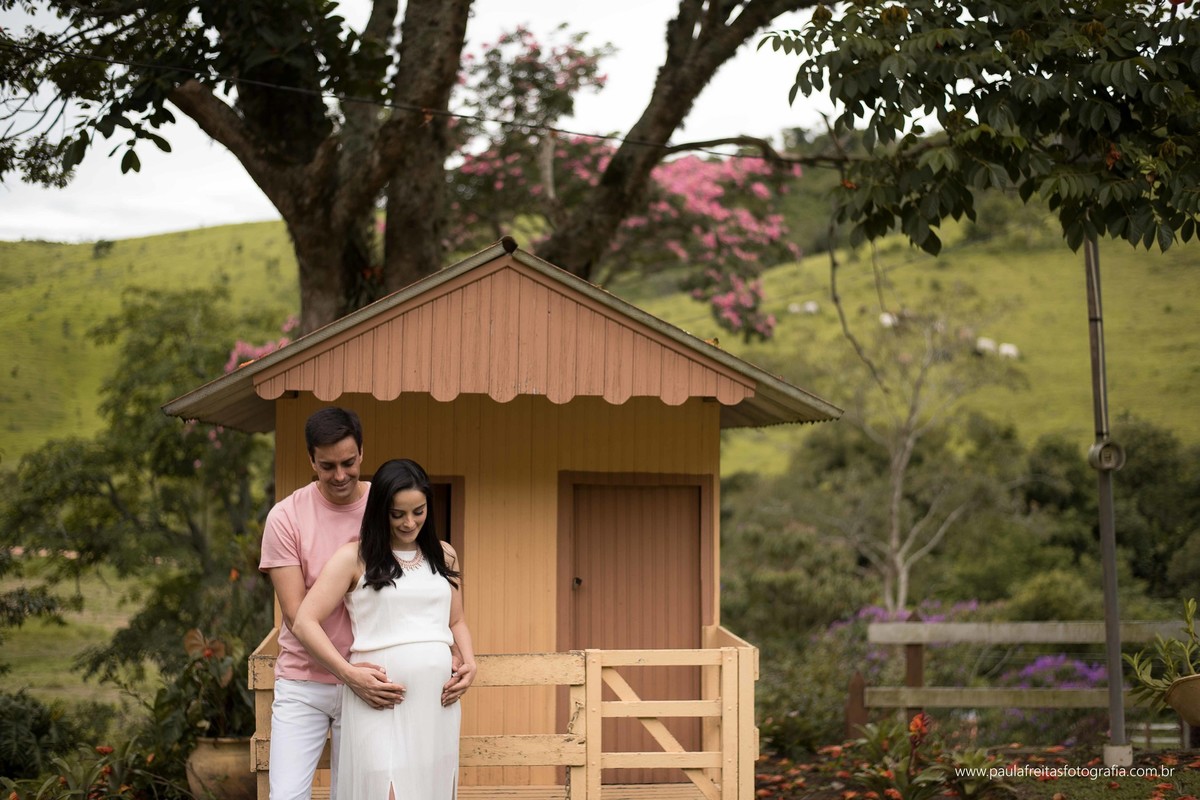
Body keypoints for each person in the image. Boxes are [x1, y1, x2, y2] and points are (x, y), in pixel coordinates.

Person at [292, 458, 477, 800]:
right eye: (397, 514)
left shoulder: (445, 555)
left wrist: (470, 663)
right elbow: (305, 621)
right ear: (380, 511)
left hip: (436, 706)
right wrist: (348, 673)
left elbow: (456, 621)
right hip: (380, 703)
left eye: (418, 511)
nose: (409, 523)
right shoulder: (355, 557)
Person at [259, 407, 406, 800]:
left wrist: (454, 648)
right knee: (286, 796)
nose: (340, 475)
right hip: (303, 682)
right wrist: (347, 674)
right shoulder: (285, 517)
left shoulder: (388, 506)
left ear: (362, 452)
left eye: (348, 462)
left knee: (359, 796)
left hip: (371, 679)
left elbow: (420, 581)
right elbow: (295, 614)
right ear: (311, 460)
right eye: (327, 466)